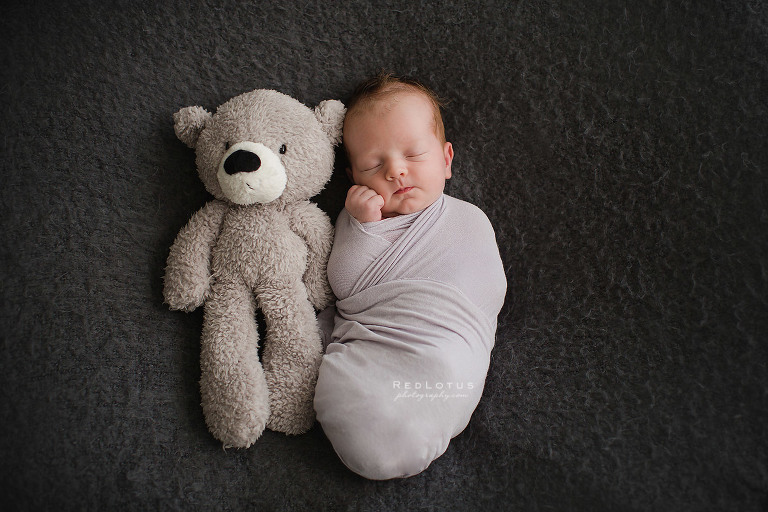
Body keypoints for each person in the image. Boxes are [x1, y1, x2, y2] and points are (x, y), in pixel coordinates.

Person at [313, 73, 507, 480]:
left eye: (414, 154)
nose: (396, 171)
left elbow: (487, 291)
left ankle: (422, 413)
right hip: (377, 341)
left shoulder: (468, 221)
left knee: (444, 366)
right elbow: (346, 285)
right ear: (353, 177)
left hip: (446, 347)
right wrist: (363, 226)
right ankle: (371, 424)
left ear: (447, 159)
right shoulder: (358, 222)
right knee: (358, 393)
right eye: (373, 164)